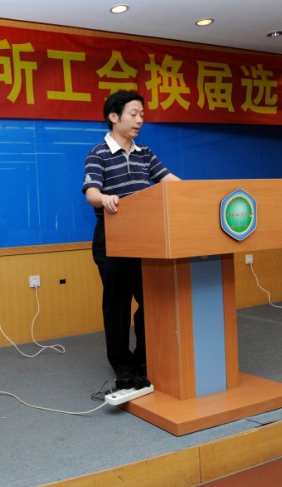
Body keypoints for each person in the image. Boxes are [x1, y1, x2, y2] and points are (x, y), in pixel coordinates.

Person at [82, 90, 181, 389]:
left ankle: (143, 358)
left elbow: (168, 181)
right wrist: (104, 198)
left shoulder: (145, 153)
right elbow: (91, 192)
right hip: (112, 238)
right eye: (134, 114)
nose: (140, 120)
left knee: (150, 301)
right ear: (114, 117)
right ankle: (122, 366)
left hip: (145, 239)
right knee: (118, 305)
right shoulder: (98, 153)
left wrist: (191, 191)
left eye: (142, 115)